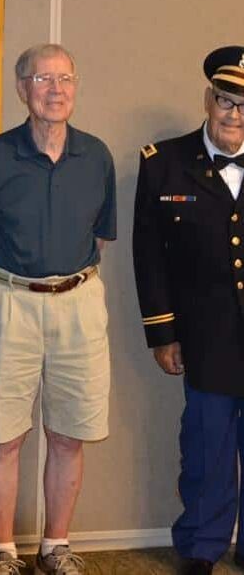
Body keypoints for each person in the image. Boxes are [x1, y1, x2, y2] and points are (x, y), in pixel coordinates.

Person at [0, 43, 116, 575]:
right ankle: (3, 553)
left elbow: (99, 239)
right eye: (42, 79)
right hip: (8, 302)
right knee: (4, 436)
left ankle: (56, 546)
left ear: (75, 87)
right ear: (21, 89)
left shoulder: (96, 155)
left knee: (68, 434)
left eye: (65, 79)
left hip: (78, 305)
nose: (55, 90)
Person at [133, 46, 244, 575]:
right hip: (205, 337)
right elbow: (148, 255)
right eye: (226, 100)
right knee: (206, 449)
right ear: (208, 99)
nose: (235, 114)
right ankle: (201, 547)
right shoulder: (165, 163)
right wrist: (162, 332)